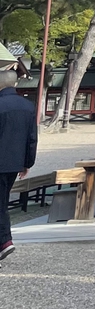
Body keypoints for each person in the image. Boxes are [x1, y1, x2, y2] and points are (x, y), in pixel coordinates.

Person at [0, 68, 37, 262]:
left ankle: (5, 241)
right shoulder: (28, 106)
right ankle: (4, 242)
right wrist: (27, 163)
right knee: (2, 201)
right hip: (14, 163)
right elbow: (32, 139)